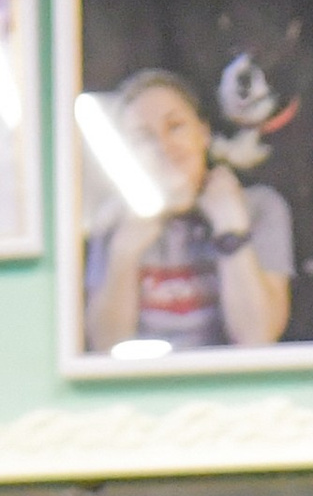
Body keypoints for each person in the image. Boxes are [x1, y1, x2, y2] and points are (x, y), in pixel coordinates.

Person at [83, 70, 292, 357]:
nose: (163, 146)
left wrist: (231, 229)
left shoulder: (260, 207)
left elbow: (258, 337)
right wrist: (124, 253)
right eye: (143, 138)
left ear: (203, 133)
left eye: (176, 126)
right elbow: (106, 349)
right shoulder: (112, 220)